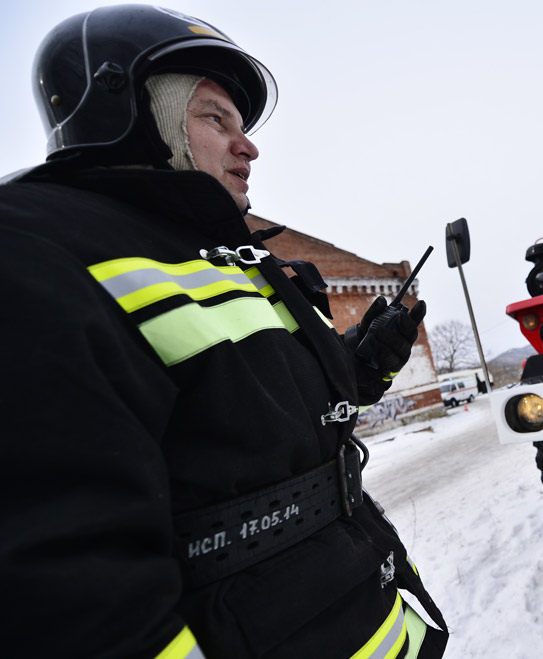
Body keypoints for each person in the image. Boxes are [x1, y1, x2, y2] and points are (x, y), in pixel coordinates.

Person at [0, 5, 447, 658]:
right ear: (135, 117)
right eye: (216, 119)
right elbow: (75, 595)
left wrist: (366, 357)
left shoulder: (246, 262)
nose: (250, 146)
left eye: (243, 126)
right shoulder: (41, 251)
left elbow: (268, 419)